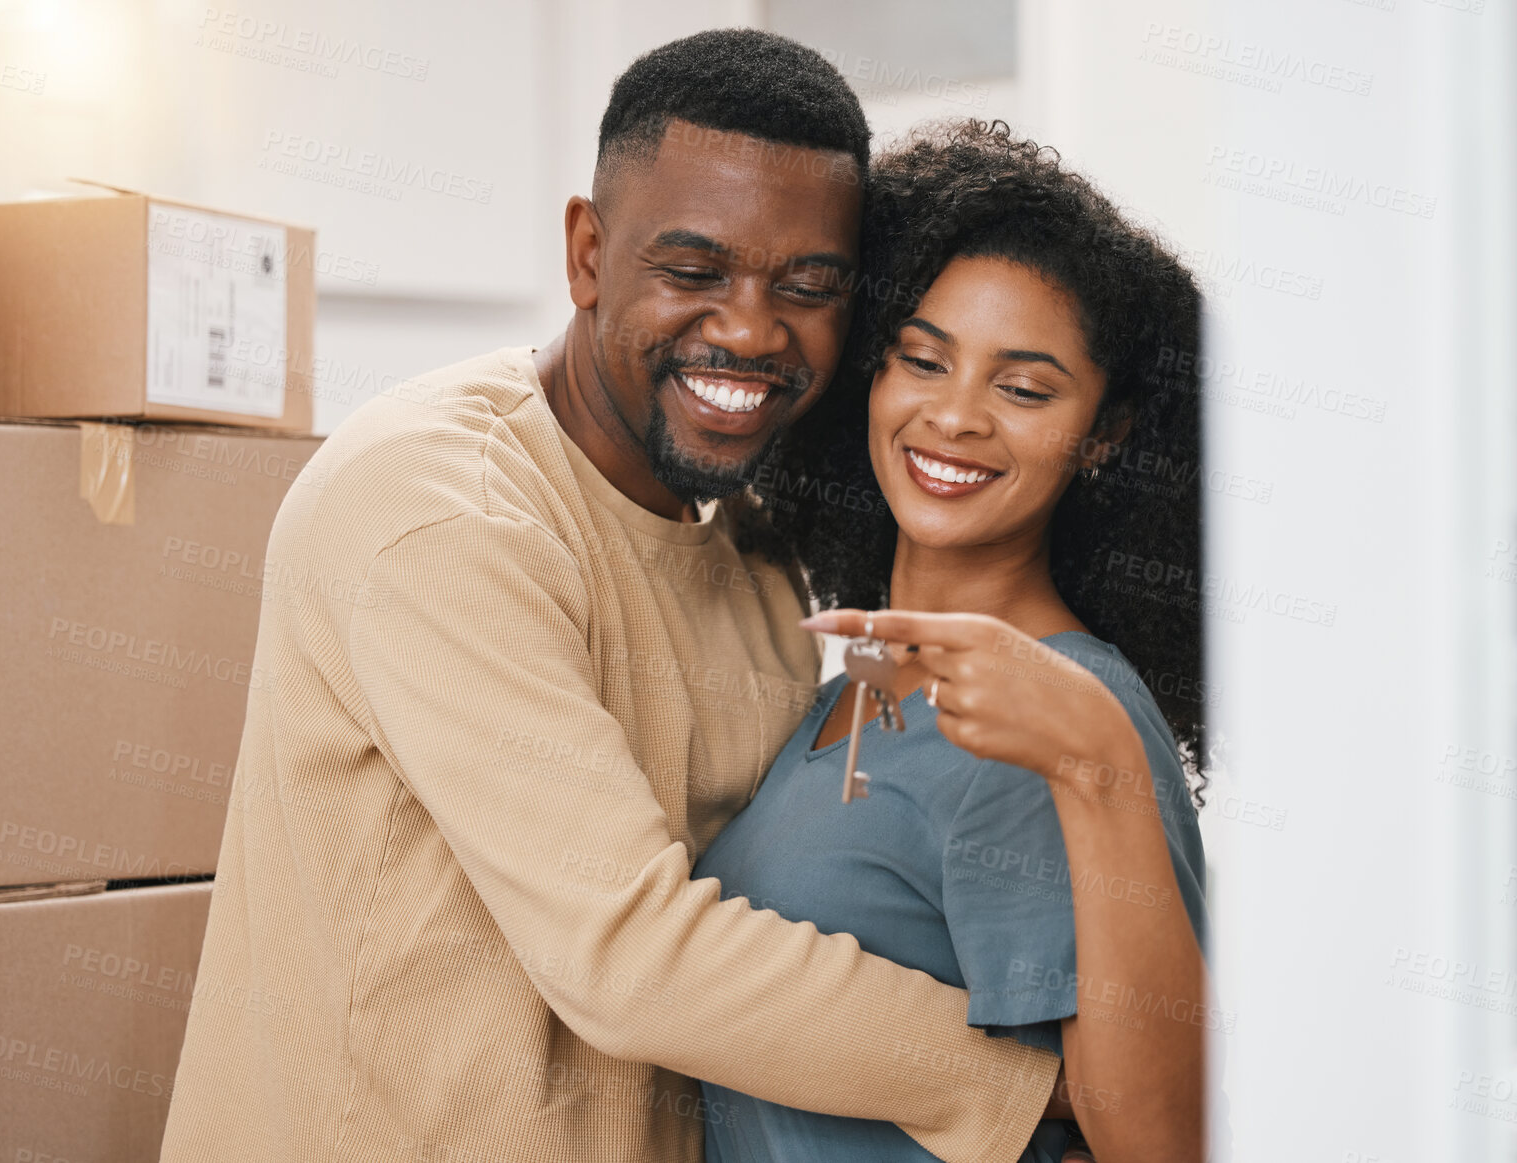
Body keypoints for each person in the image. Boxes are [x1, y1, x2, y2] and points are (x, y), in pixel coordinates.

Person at [161, 36, 1065, 1163]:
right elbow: (630, 952)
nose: (747, 328)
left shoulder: (750, 541)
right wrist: (1034, 1086)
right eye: (693, 271)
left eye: (807, 287)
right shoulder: (437, 509)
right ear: (588, 252)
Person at [695, 120, 1212, 1163]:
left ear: (1103, 435)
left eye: (1023, 388)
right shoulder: (856, 675)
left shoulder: (1050, 715)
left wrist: (1096, 761)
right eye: (922, 361)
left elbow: (1163, 1141)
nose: (955, 416)